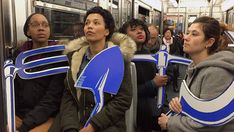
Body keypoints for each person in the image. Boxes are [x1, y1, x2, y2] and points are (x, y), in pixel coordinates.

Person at [49, 6, 136, 132]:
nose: (90, 26)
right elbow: (69, 96)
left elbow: (123, 99)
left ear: (106, 31)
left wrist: (93, 126)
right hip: (76, 118)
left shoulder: (118, 58)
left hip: (106, 122)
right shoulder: (75, 58)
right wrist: (70, 127)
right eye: (87, 23)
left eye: (96, 23)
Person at [158, 16, 234, 132]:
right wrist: (180, 103)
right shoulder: (194, 66)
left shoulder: (217, 73)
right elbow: (198, 105)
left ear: (209, 42)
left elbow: (210, 124)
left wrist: (170, 123)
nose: (186, 38)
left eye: (194, 34)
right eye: (188, 33)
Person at [13, 13, 66, 132]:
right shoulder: (19, 56)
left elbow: (52, 98)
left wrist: (26, 124)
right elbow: (13, 90)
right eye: (35, 25)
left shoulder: (59, 57)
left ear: (49, 30)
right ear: (28, 31)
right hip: (21, 114)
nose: (41, 28)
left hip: (49, 115)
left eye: (45, 25)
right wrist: (12, 114)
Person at [119, 18, 169, 132]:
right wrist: (153, 84)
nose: (139, 32)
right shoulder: (123, 57)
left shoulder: (148, 55)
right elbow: (125, 91)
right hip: (133, 113)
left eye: (142, 29)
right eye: (133, 30)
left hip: (150, 109)